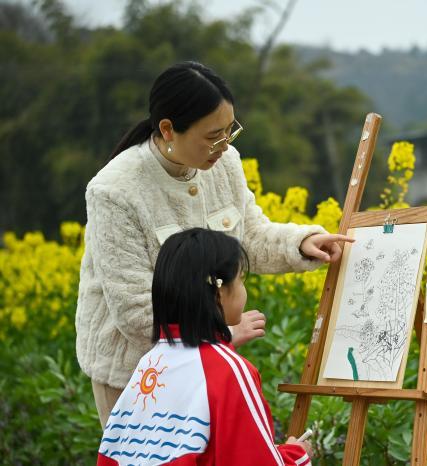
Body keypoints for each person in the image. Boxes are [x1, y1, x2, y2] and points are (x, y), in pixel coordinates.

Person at [76, 61, 352, 427]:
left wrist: (302, 243)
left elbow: (248, 237)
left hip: (209, 360)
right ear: (168, 129)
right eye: (212, 136)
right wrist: (220, 335)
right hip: (138, 373)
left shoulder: (225, 163)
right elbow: (136, 310)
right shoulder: (114, 190)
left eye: (230, 132)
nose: (224, 146)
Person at [97, 228, 312, 465]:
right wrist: (296, 455)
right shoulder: (229, 371)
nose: (243, 289)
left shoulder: (150, 363)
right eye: (241, 279)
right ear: (219, 292)